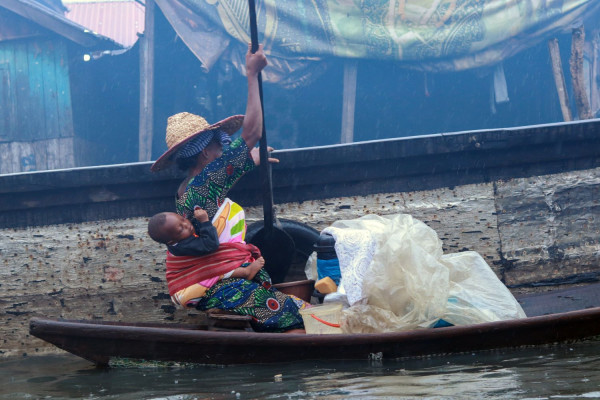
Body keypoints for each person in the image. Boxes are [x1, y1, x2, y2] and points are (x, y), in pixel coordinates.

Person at [150, 44, 308, 332]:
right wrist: (251, 74)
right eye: (216, 144)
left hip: (226, 281)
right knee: (300, 317)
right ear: (204, 153)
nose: (221, 147)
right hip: (225, 285)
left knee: (296, 308)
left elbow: (219, 186)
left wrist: (249, 160)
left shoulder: (190, 188)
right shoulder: (205, 183)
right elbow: (252, 132)